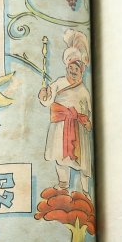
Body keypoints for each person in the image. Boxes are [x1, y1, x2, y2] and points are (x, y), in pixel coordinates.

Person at [39, 29, 92, 193]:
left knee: (82, 160)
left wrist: (89, 122)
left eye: (76, 69)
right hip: (61, 127)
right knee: (60, 157)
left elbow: (89, 111)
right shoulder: (59, 83)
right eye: (71, 68)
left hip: (78, 128)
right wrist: (44, 95)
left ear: (81, 71)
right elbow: (48, 101)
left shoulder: (84, 91)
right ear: (67, 68)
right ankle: (63, 183)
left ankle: (85, 190)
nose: (73, 71)